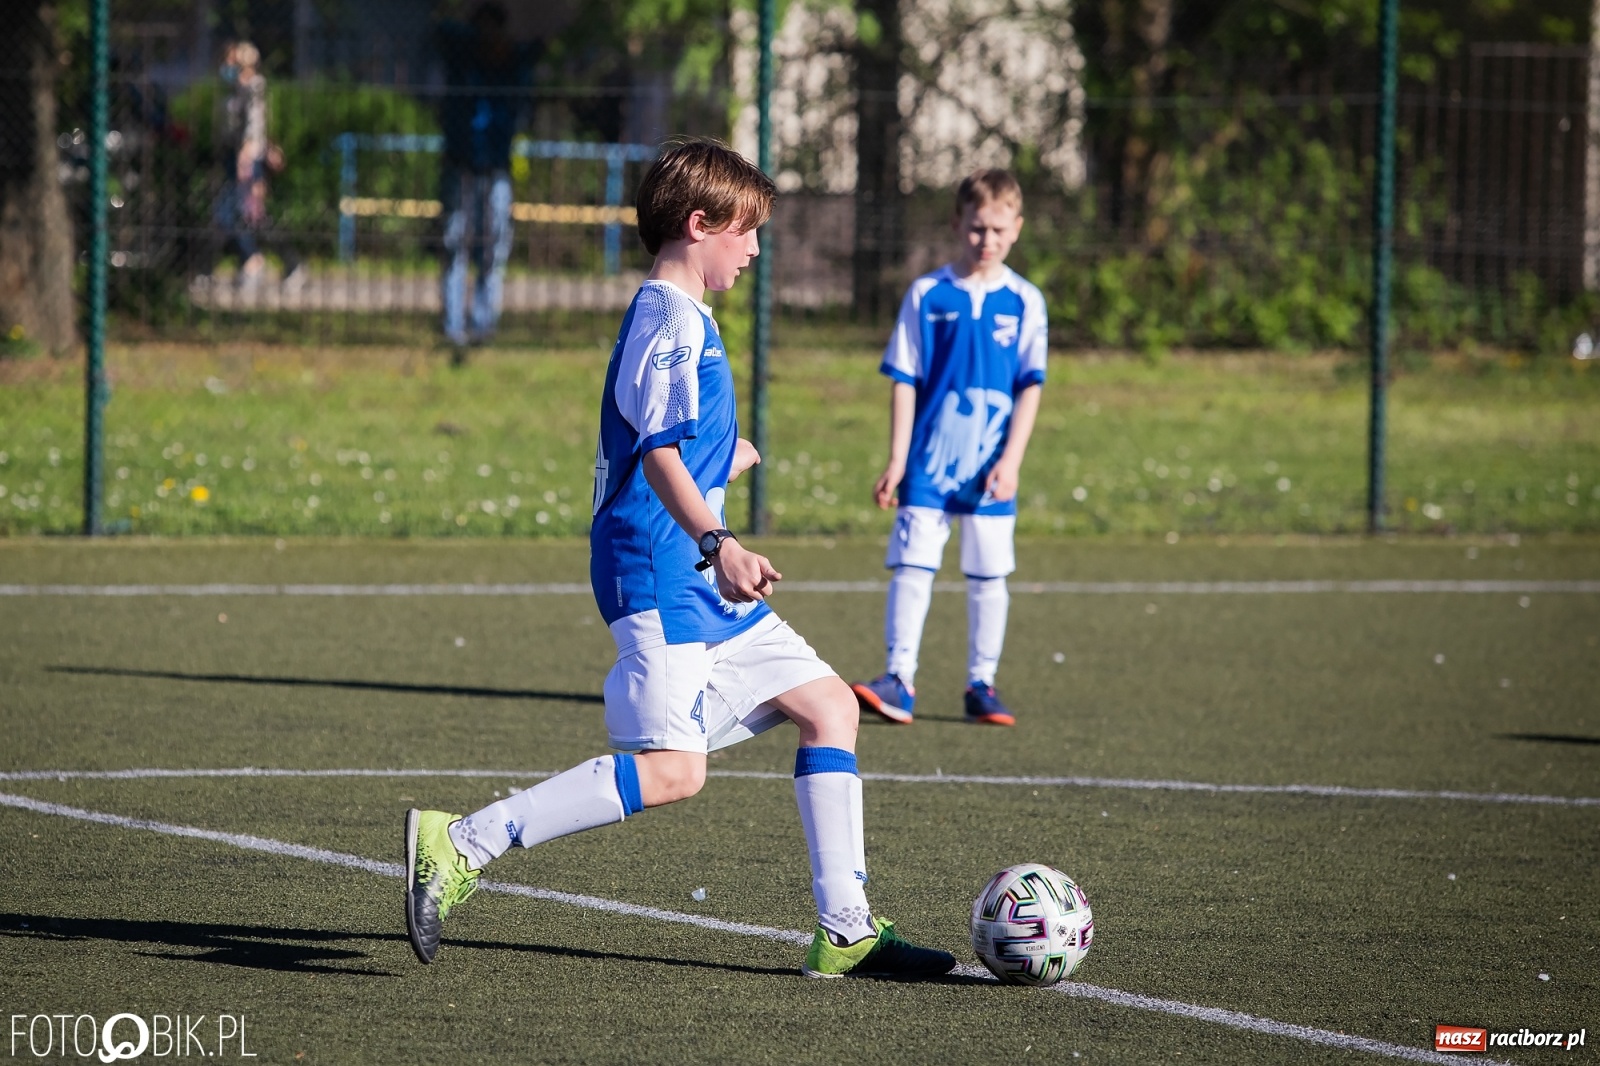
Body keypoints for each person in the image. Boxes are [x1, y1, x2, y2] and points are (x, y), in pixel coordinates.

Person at [404, 139, 956, 981]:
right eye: (747, 231)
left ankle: (846, 929)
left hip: (691, 574)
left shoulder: (685, 317)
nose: (756, 249)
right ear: (699, 225)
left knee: (827, 709)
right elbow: (657, 455)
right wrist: (720, 540)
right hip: (665, 570)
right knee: (672, 773)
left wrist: (719, 461)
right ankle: (464, 842)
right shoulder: (667, 314)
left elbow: (662, 445)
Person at [850, 169, 1047, 728]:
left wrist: (1011, 462)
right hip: (929, 463)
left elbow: (1030, 386)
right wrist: (897, 458)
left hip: (989, 467)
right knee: (913, 566)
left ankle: (981, 684)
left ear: (1017, 229)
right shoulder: (927, 293)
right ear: (957, 224)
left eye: (999, 230)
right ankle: (899, 679)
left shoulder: (1025, 301)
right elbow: (904, 379)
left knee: (989, 575)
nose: (987, 240)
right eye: (977, 228)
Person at [433, 1, 537, 357]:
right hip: (460, 163)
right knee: (454, 241)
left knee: (493, 247)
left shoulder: (512, 65)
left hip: (496, 167)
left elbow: (538, 48)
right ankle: (453, 325)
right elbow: (441, 28)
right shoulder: (461, 57)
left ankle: (483, 324)